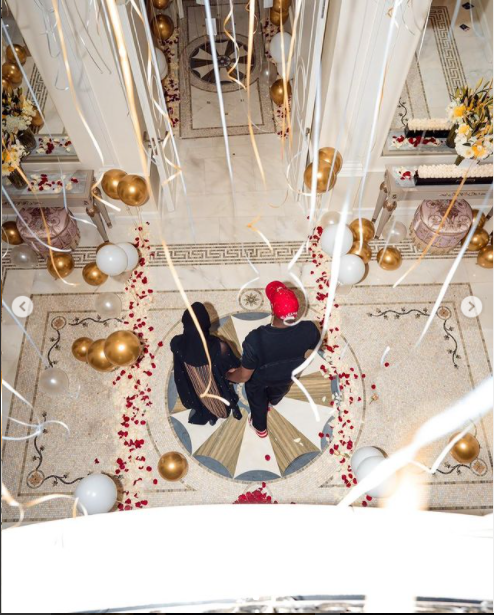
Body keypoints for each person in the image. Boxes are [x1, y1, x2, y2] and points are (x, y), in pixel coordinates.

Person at [227, 282, 320, 438]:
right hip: (287, 376)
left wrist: (229, 376)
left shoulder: (255, 339)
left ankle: (260, 428)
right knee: (278, 393)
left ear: (272, 309)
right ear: (297, 312)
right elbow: (312, 351)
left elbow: (244, 376)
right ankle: (273, 402)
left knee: (257, 402)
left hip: (260, 380)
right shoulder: (310, 329)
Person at [171, 302, 243, 426]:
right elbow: (233, 367)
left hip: (195, 390)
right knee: (220, 403)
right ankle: (217, 412)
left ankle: (208, 413)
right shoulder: (219, 346)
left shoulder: (176, 343)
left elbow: (179, 369)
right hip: (217, 391)